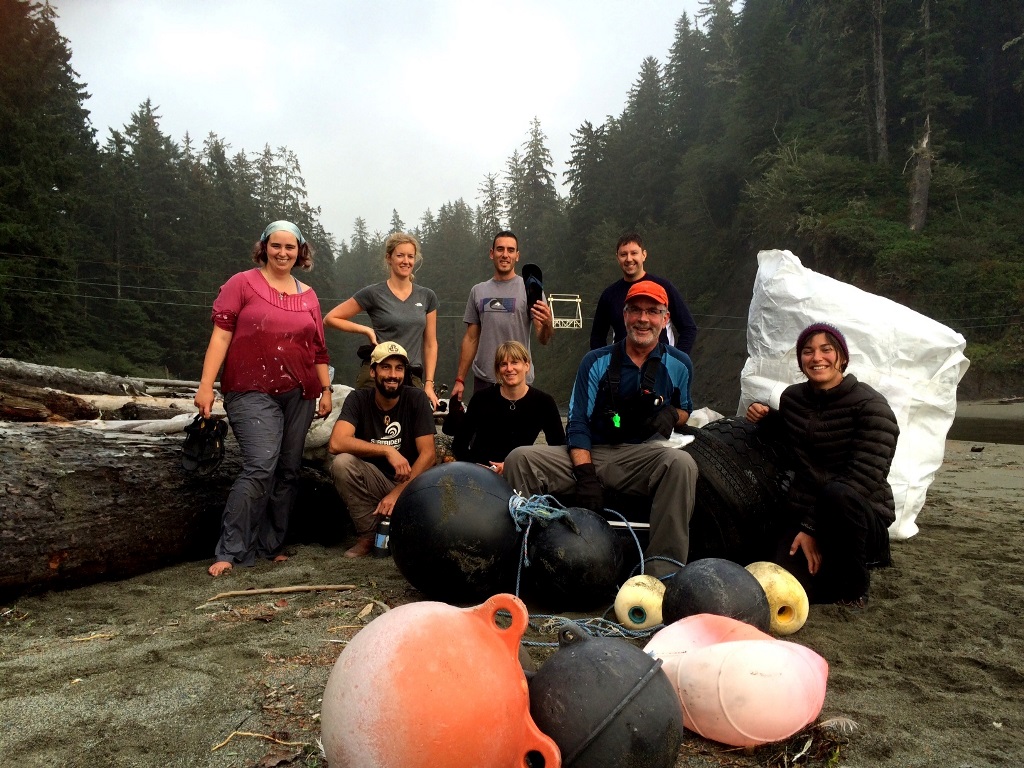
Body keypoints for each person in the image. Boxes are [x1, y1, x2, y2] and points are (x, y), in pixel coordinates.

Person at [504, 280, 698, 577]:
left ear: (665, 318)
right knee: (521, 458)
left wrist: (672, 415)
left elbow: (687, 408)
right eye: (635, 310)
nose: (643, 319)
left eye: (652, 311)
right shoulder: (596, 361)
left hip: (640, 458)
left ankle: (663, 571)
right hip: (591, 452)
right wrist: (585, 475)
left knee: (682, 464)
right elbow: (578, 420)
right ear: (624, 316)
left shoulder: (680, 364)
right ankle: (526, 557)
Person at [195, 220, 333, 577]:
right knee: (260, 465)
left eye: (290, 247)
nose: (283, 253)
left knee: (288, 470)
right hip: (249, 389)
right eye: (276, 246)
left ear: (300, 251)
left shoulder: (309, 296)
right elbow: (221, 337)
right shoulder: (241, 284)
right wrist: (206, 385)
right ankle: (232, 550)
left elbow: (318, 350)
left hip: (300, 392)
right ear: (264, 247)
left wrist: (327, 390)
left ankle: (270, 545)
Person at [746, 322, 899, 607]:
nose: (817, 358)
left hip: (856, 517)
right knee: (787, 584)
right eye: (807, 351)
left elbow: (864, 478)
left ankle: (856, 589)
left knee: (837, 494)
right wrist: (765, 417)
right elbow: (794, 435)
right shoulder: (793, 399)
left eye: (826, 350)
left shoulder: (872, 407)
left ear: (842, 357)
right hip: (805, 512)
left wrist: (811, 527)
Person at [328, 341, 437, 558]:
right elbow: (336, 443)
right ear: (373, 370)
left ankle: (395, 532)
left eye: (399, 368)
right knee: (342, 463)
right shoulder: (358, 399)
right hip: (375, 481)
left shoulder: (416, 398)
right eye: (386, 367)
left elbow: (429, 454)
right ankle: (368, 535)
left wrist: (398, 492)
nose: (393, 375)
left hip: (411, 483)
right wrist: (388, 451)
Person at [324, 232, 440, 408]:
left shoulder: (427, 296)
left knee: (414, 430)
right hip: (377, 374)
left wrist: (429, 384)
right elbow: (331, 318)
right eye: (400, 255)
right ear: (389, 258)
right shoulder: (373, 293)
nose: (405, 261)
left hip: (410, 375)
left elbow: (431, 343)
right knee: (369, 429)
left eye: (410, 256)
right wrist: (366, 330)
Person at [450, 230, 554, 401]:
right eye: (500, 249)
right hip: (484, 381)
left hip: (518, 380)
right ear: (492, 253)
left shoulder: (531, 289)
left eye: (510, 250)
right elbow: (470, 339)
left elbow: (542, 338)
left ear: (517, 256)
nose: (505, 255)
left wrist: (548, 324)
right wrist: (460, 380)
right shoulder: (478, 291)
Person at [452, 340, 565, 474]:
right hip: (480, 474)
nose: (509, 369)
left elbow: (559, 449)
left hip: (521, 473)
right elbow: (459, 445)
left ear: (527, 365)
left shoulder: (543, 402)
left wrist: (516, 467)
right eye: (503, 364)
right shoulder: (481, 399)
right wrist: (475, 467)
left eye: (515, 362)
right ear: (498, 370)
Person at [590, 232, 698, 354]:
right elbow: (597, 337)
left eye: (634, 253)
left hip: (661, 367)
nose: (629, 259)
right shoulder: (609, 295)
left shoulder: (664, 288)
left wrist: (677, 362)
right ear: (617, 258)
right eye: (623, 254)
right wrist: (603, 366)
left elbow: (688, 328)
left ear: (644, 255)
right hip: (621, 369)